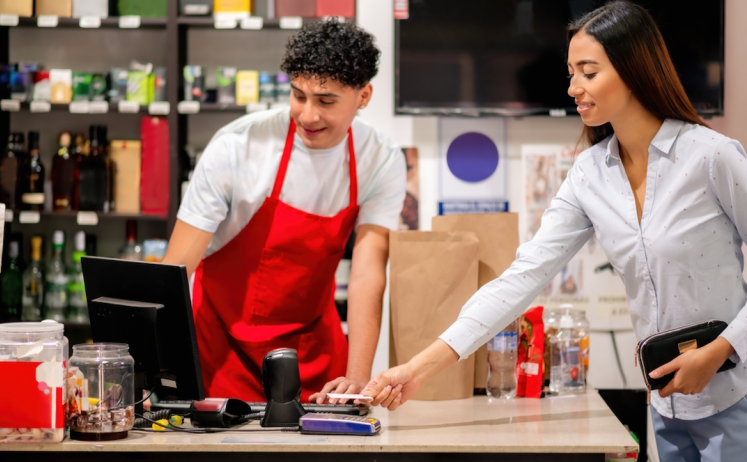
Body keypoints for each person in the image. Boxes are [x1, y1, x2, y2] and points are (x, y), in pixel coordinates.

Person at [362, 2, 747, 461]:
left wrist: (722, 348)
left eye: (588, 72)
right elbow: (522, 277)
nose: (573, 88)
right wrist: (417, 369)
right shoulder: (589, 174)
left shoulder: (711, 156)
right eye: (571, 73)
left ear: (634, 69)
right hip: (665, 402)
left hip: (735, 393)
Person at [163, 19, 406, 404]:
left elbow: (366, 273)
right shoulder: (236, 147)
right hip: (222, 348)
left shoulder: (380, 159)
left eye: (326, 101)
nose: (308, 115)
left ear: (363, 96)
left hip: (313, 355)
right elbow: (175, 269)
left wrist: (358, 375)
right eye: (298, 95)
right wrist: (148, 366)